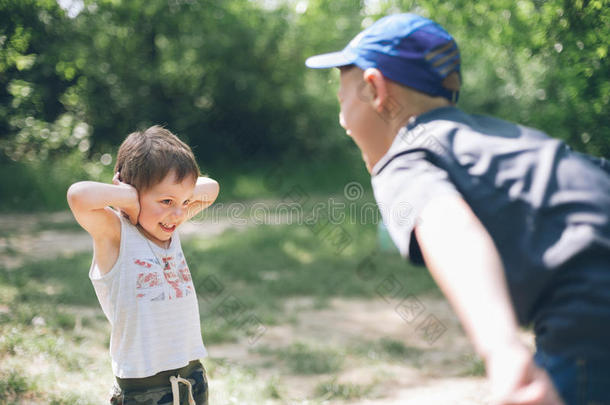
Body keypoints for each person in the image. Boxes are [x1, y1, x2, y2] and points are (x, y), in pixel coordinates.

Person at [306, 13, 610, 405]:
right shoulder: (506, 138)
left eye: (340, 95)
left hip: (590, 319)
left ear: (374, 88)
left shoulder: (408, 157)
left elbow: (448, 226)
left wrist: (502, 350)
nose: (341, 116)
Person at [67, 125, 220, 404]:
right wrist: (129, 200)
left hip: (191, 375)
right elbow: (79, 196)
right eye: (166, 200)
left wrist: (171, 201)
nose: (178, 213)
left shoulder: (170, 221)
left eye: (185, 202)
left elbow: (211, 188)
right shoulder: (116, 234)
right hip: (143, 388)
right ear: (131, 193)